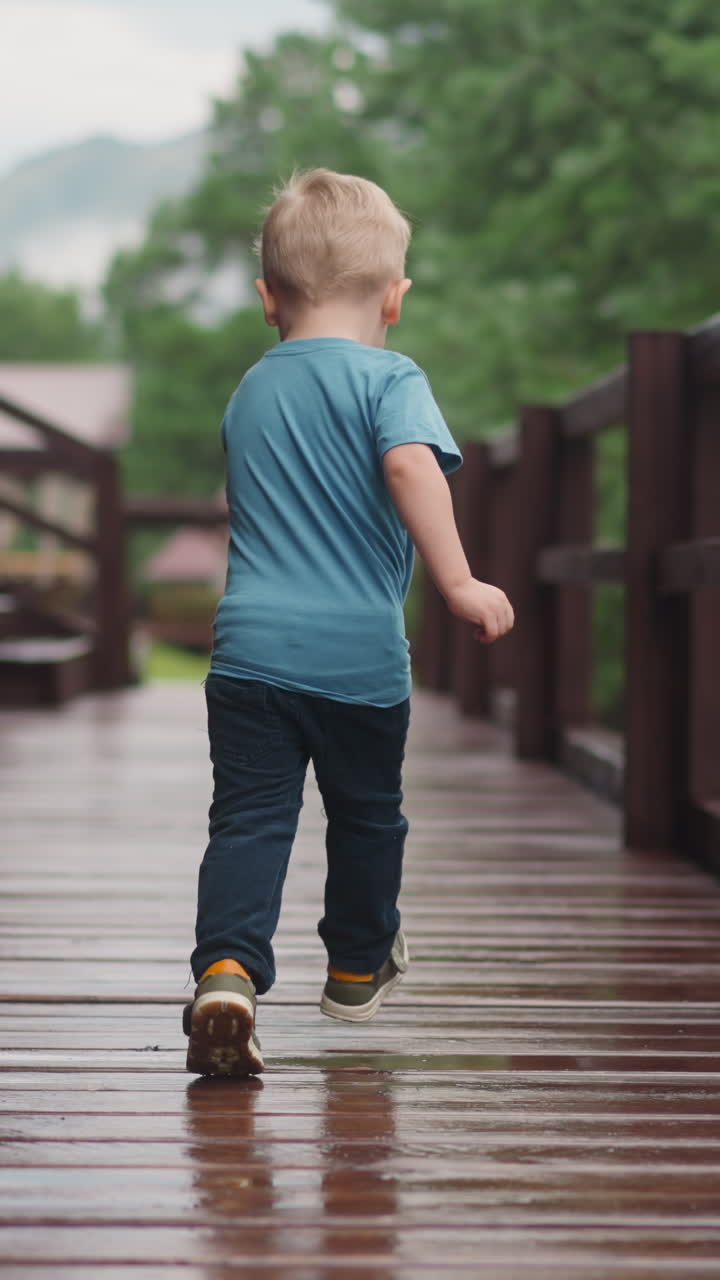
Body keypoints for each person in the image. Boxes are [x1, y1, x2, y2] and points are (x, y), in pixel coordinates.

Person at [183, 169, 514, 1076]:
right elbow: (410, 468)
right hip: (359, 661)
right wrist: (458, 580)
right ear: (394, 299)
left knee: (249, 820)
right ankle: (357, 967)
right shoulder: (391, 377)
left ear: (268, 299)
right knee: (368, 817)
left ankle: (226, 971)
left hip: (249, 655)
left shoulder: (251, 389)